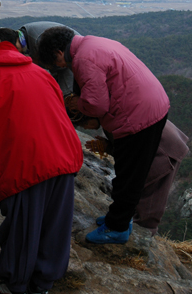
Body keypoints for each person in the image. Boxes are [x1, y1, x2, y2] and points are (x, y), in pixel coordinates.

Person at [0, 38, 83, 294]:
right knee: (53, 224)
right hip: (65, 152)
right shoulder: (40, 71)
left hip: (27, 159)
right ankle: (41, 287)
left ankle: (15, 287)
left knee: (25, 223)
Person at [37, 26, 170, 245]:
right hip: (152, 107)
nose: (60, 67)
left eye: (55, 63)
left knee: (128, 176)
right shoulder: (94, 42)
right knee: (130, 172)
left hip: (138, 117)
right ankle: (120, 218)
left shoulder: (83, 60)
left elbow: (96, 105)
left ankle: (116, 228)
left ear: (59, 52)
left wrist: (74, 102)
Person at [86, 120, 189, 235]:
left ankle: (144, 233)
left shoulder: (111, 118)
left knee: (151, 195)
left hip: (164, 147)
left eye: (83, 123)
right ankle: (130, 225)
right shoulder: (107, 114)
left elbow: (131, 151)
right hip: (159, 136)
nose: (84, 127)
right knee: (139, 188)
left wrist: (109, 148)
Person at [0, 21, 79, 96]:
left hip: (70, 65)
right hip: (62, 64)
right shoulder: (22, 37)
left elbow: (61, 65)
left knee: (64, 99)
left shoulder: (38, 41)